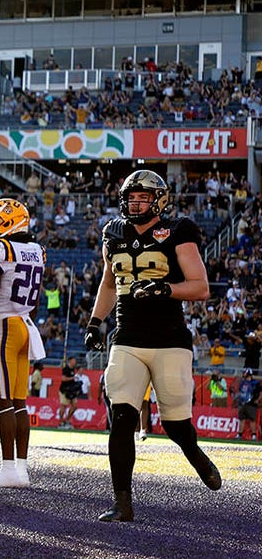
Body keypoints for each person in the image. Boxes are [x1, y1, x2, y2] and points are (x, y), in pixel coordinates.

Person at [84, 170, 221, 522]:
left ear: (160, 200)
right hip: (127, 338)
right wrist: (95, 323)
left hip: (169, 341)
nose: (136, 203)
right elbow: (109, 284)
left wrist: (166, 288)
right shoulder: (113, 232)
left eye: (144, 197)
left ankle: (194, 452)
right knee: (122, 417)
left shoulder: (178, 230)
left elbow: (201, 286)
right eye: (132, 197)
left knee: (176, 425)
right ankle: (122, 502)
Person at [0, 198, 45, 488]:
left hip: (3, 327)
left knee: (3, 403)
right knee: (19, 403)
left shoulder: (1, 248)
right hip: (25, 326)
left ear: (9, 221)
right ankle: (21, 469)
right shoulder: (36, 251)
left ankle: (8, 470)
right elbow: (35, 301)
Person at [59, 356, 79, 428]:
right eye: (74, 360)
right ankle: (61, 421)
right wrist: (72, 378)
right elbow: (63, 379)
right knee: (63, 405)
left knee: (74, 405)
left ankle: (67, 420)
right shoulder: (66, 369)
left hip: (72, 390)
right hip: (64, 390)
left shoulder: (73, 369)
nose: (75, 362)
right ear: (70, 361)